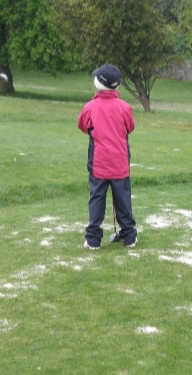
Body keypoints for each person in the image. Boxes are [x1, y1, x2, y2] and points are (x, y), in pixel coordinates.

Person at [77, 64, 137, 250]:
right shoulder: (124, 107)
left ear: (99, 82)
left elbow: (83, 126)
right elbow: (130, 127)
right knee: (123, 201)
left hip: (98, 164)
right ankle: (129, 238)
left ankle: (93, 240)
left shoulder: (90, 107)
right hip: (119, 163)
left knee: (97, 200)